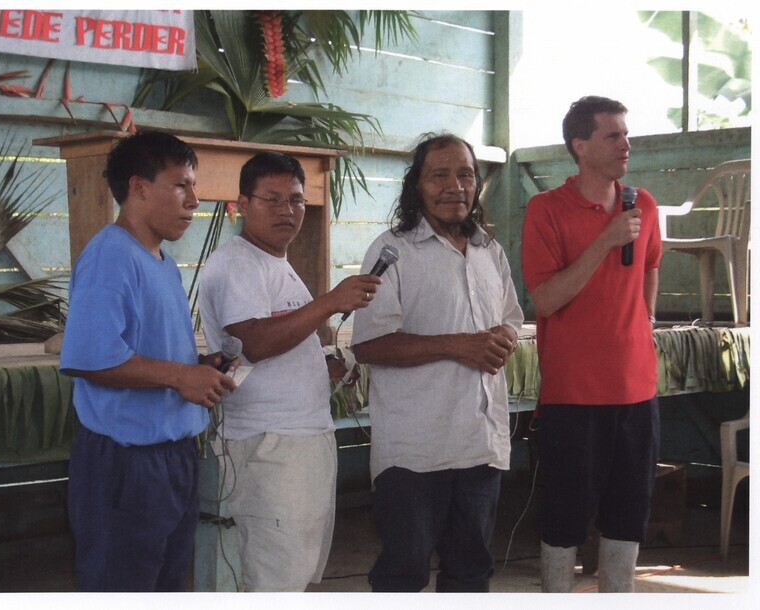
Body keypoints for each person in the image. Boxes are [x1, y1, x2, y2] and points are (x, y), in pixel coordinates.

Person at [60, 131, 237, 591]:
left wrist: (200, 364)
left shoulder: (160, 262)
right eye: (182, 185)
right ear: (138, 187)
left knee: (165, 585)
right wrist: (181, 375)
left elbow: (147, 351)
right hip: (126, 463)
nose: (194, 200)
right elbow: (91, 359)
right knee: (124, 586)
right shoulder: (110, 256)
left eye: (194, 187)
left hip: (172, 458)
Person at [197, 151, 381, 592]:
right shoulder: (237, 262)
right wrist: (330, 302)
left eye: (296, 200)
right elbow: (254, 342)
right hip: (269, 445)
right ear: (242, 204)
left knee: (294, 573)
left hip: (297, 441)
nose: (287, 210)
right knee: (276, 578)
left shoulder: (275, 264)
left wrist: (325, 366)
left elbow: (266, 348)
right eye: (272, 199)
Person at [351, 133, 524, 592]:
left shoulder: (490, 251)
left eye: (465, 174)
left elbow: (510, 320)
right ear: (416, 186)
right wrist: (459, 345)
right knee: (402, 577)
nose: (455, 186)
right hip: (415, 452)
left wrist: (501, 338)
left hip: (481, 444)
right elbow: (369, 344)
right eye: (439, 175)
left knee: (470, 574)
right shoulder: (393, 251)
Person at [521, 96, 662, 592]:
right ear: (581, 146)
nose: (626, 144)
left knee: (629, 514)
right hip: (573, 394)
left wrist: (642, 319)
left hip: (637, 390)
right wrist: (604, 240)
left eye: (626, 133)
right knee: (565, 516)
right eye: (613, 135)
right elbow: (544, 297)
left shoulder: (642, 203)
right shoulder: (546, 210)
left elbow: (649, 265)